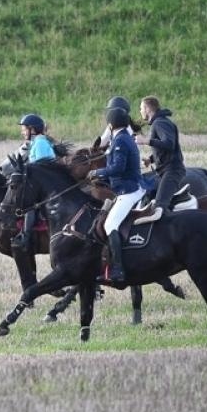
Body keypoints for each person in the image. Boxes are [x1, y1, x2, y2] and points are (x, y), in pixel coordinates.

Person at [88, 104, 145, 285]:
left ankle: (118, 270)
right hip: (127, 189)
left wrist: (98, 173)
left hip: (129, 191)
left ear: (110, 125)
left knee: (111, 223)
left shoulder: (120, 140)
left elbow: (118, 168)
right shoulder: (123, 137)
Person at [10, 113, 56, 249]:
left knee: (30, 205)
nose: (22, 132)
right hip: (40, 183)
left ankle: (26, 236)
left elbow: (42, 169)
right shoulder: (37, 142)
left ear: (33, 130)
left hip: (46, 186)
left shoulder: (41, 143)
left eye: (24, 129)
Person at [140, 96, 185, 214]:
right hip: (164, 171)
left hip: (172, 171)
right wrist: (151, 160)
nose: (140, 112)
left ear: (147, 109)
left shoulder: (160, 123)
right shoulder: (159, 122)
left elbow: (170, 144)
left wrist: (146, 141)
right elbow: (165, 150)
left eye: (141, 108)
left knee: (160, 207)